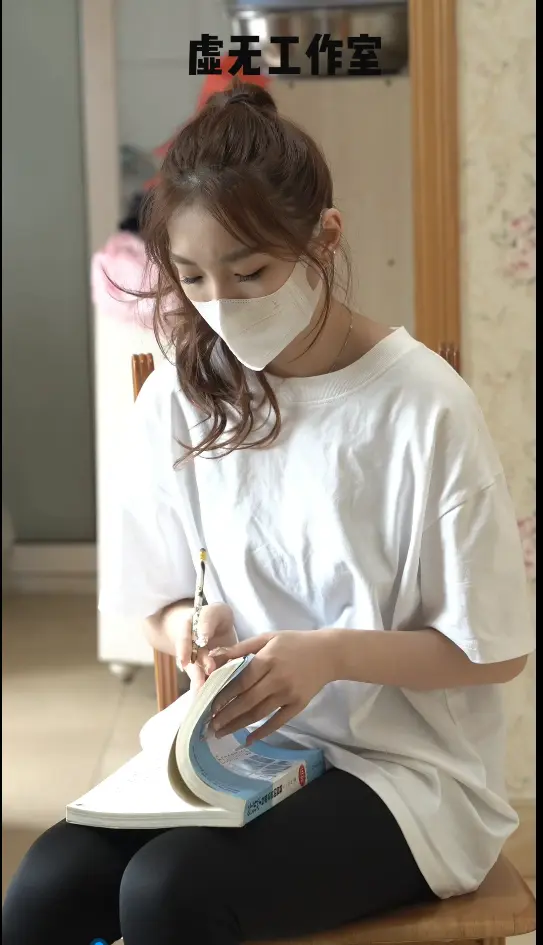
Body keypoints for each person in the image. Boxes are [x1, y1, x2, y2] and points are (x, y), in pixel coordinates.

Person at [3, 80, 534, 945]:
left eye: (249, 272)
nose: (221, 303)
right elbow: (155, 602)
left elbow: (494, 652)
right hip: (239, 752)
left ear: (324, 236)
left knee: (171, 894)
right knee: (44, 893)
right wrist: (190, 627)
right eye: (192, 278)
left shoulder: (422, 406)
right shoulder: (183, 389)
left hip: (402, 773)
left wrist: (329, 655)